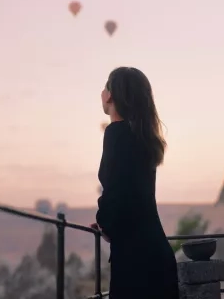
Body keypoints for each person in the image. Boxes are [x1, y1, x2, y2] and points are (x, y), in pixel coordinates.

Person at [90, 67, 179, 299]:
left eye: (105, 87)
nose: (102, 92)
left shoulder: (116, 134)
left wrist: (104, 223)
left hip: (135, 261)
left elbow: (115, 192)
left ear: (110, 95)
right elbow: (135, 194)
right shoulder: (142, 138)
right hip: (156, 255)